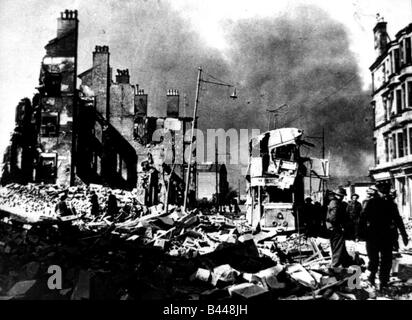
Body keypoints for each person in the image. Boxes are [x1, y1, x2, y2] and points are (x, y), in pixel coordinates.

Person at [363, 182, 409, 291]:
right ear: (378, 192)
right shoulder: (372, 203)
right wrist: (361, 234)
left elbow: (398, 220)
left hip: (384, 236)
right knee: (374, 259)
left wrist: (404, 234)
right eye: (383, 192)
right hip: (374, 235)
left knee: (386, 259)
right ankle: (372, 277)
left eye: (386, 192)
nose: (385, 194)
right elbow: (362, 219)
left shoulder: (390, 204)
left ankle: (383, 281)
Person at [326, 187, 353, 269]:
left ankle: (346, 261)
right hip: (336, 227)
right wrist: (340, 225)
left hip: (333, 227)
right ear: (338, 195)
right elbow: (333, 217)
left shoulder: (334, 202)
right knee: (337, 246)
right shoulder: (335, 203)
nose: (342, 197)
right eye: (341, 196)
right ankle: (335, 265)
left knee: (340, 245)